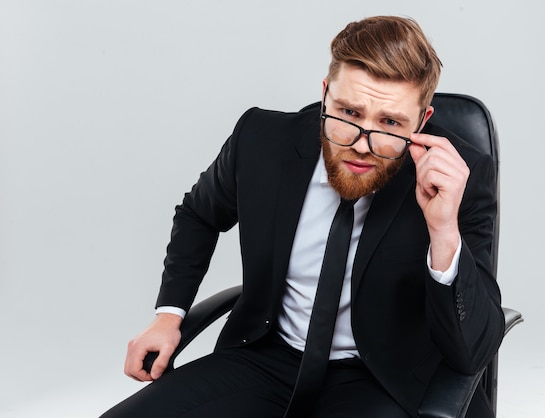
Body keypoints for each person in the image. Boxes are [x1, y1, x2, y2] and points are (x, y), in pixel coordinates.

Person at [102, 15, 504, 418]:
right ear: (326, 94)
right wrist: (168, 316)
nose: (362, 144)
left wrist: (443, 229)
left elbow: (473, 352)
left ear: (422, 122)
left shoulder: (460, 177)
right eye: (348, 112)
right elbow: (198, 214)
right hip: (266, 357)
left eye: (390, 122)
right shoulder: (261, 140)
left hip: (384, 379)